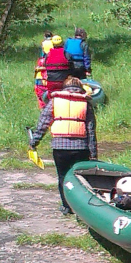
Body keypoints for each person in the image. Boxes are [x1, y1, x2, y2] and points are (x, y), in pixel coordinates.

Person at [29, 76, 98, 215]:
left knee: (62, 177)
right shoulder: (85, 103)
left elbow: (43, 123)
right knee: (80, 177)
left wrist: (34, 141)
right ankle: (82, 207)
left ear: (64, 87)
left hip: (60, 147)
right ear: (80, 88)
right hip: (81, 148)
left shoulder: (55, 101)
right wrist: (93, 154)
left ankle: (66, 206)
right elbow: (91, 130)